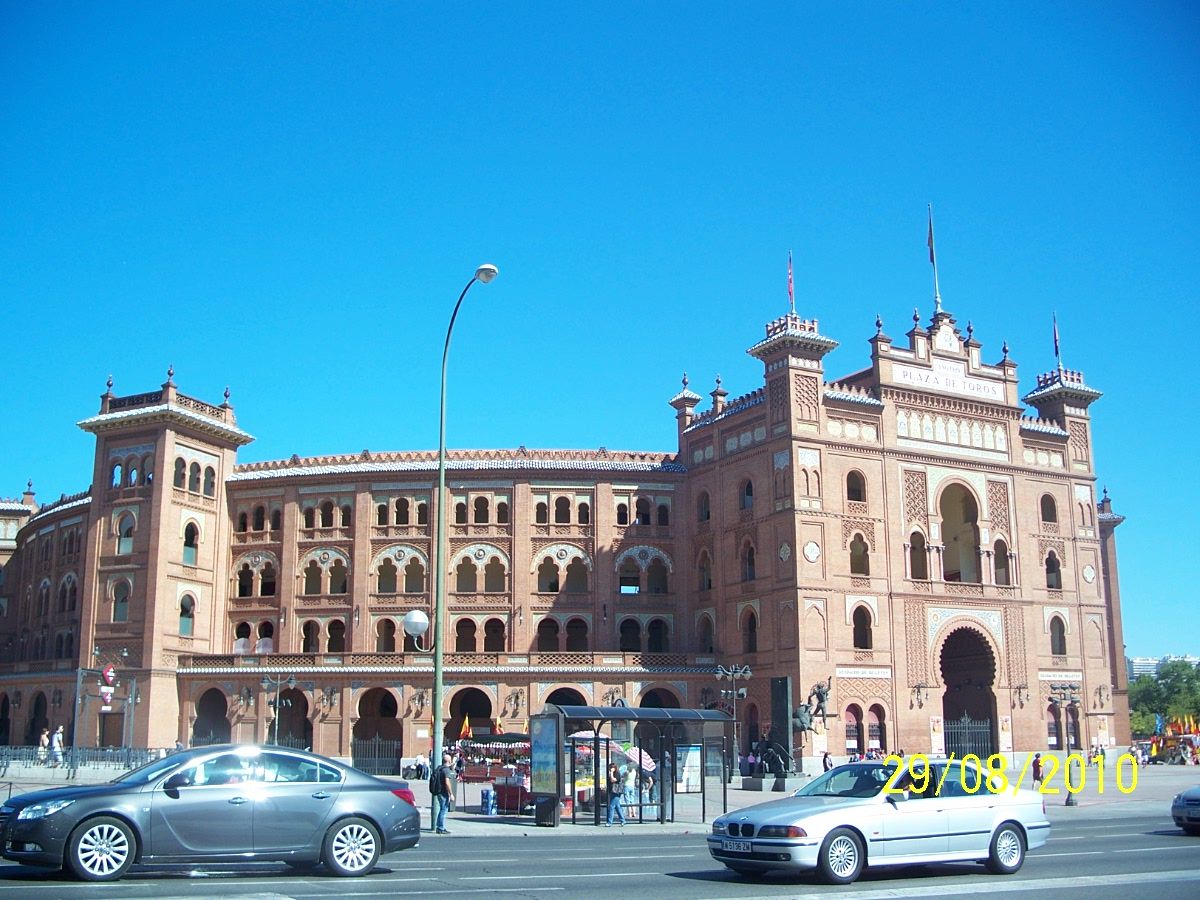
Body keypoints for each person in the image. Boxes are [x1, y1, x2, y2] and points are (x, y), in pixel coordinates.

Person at [431, 751, 455, 834]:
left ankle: (439, 826)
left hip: (438, 791)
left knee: (442, 809)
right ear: (449, 761)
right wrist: (451, 794)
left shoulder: (439, 768)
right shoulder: (446, 770)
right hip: (443, 792)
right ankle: (440, 827)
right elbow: (447, 782)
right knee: (443, 810)